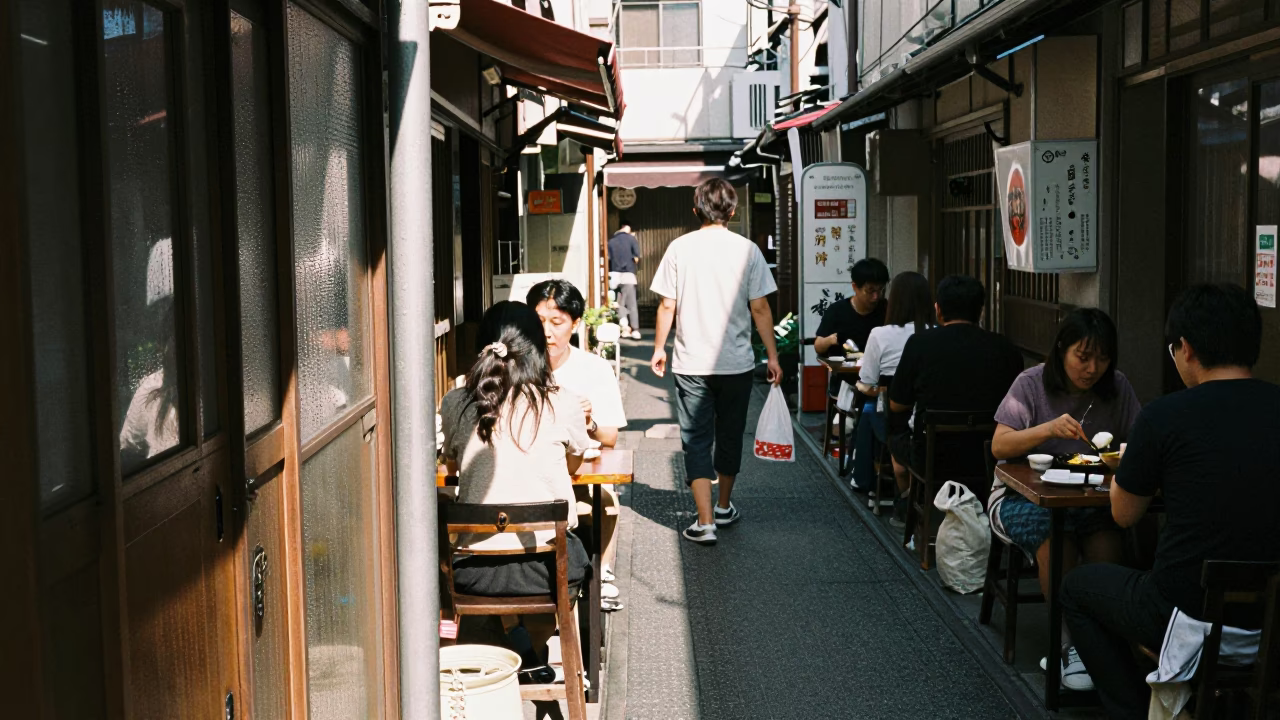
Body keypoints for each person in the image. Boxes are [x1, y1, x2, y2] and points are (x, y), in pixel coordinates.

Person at [1061, 284, 1280, 719]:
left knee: (1077, 588)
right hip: (1272, 619)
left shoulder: (1165, 416)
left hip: (1185, 612)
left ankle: (1137, 708)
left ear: (1186, 349)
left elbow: (1124, 515)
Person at [989, 308, 1142, 692]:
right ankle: (1068, 644)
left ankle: (1104, 639)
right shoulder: (1031, 384)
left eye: (1103, 358)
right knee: (1056, 540)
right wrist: (1046, 429)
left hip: (1091, 497)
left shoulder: (1118, 387)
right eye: (1083, 356)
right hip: (1021, 497)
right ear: (1061, 350)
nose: (1092, 368)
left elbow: (1138, 444)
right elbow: (999, 446)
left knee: (1108, 539)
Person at [439, 301, 592, 670]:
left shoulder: (457, 402)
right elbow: (574, 464)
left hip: (471, 572)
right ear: (537, 348)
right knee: (572, 549)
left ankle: (513, 650)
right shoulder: (563, 402)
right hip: (547, 569)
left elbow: (454, 463)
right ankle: (527, 658)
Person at [650, 177, 783, 545]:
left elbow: (666, 305)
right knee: (729, 435)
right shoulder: (748, 251)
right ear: (733, 211)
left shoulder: (680, 248)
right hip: (737, 363)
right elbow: (760, 307)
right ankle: (723, 506)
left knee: (696, 439)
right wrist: (771, 355)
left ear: (696, 211)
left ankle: (704, 522)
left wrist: (660, 347)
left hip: (692, 362)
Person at [887, 274, 1024, 525]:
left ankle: (908, 502)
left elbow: (897, 404)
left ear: (938, 310)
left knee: (893, 432)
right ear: (980, 310)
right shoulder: (1005, 348)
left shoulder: (920, 343)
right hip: (988, 457)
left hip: (931, 457)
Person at [526, 278, 627, 610]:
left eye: (557, 322)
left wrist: (589, 422)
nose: (547, 332)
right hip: (529, 478)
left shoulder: (594, 369)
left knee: (607, 499)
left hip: (576, 477)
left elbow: (610, 436)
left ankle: (604, 572)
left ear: (576, 323)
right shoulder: (514, 368)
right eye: (539, 321)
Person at [849, 271, 934, 493]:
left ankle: (875, 481)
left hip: (893, 417)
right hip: (932, 416)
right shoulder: (937, 333)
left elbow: (867, 383)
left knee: (868, 410)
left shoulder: (879, 334)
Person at [815, 258, 889, 393]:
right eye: (870, 291)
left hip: (880, 382)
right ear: (855, 287)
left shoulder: (887, 309)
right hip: (846, 382)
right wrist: (830, 340)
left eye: (880, 290)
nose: (876, 297)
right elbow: (818, 346)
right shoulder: (837, 311)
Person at [608, 220, 642, 340]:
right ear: (628, 228)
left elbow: (608, 258)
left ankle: (624, 328)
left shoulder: (611, 242)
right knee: (631, 303)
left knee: (619, 303)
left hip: (614, 275)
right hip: (628, 274)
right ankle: (635, 330)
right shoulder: (632, 240)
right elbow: (637, 258)